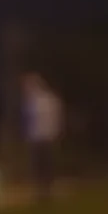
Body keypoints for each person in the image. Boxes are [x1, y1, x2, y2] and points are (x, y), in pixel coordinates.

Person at [22, 72, 63, 202]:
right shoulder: (52, 99)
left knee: (39, 166)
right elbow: (58, 118)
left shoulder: (33, 101)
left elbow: (29, 120)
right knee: (46, 165)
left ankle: (42, 190)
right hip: (48, 136)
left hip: (39, 137)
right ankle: (45, 190)